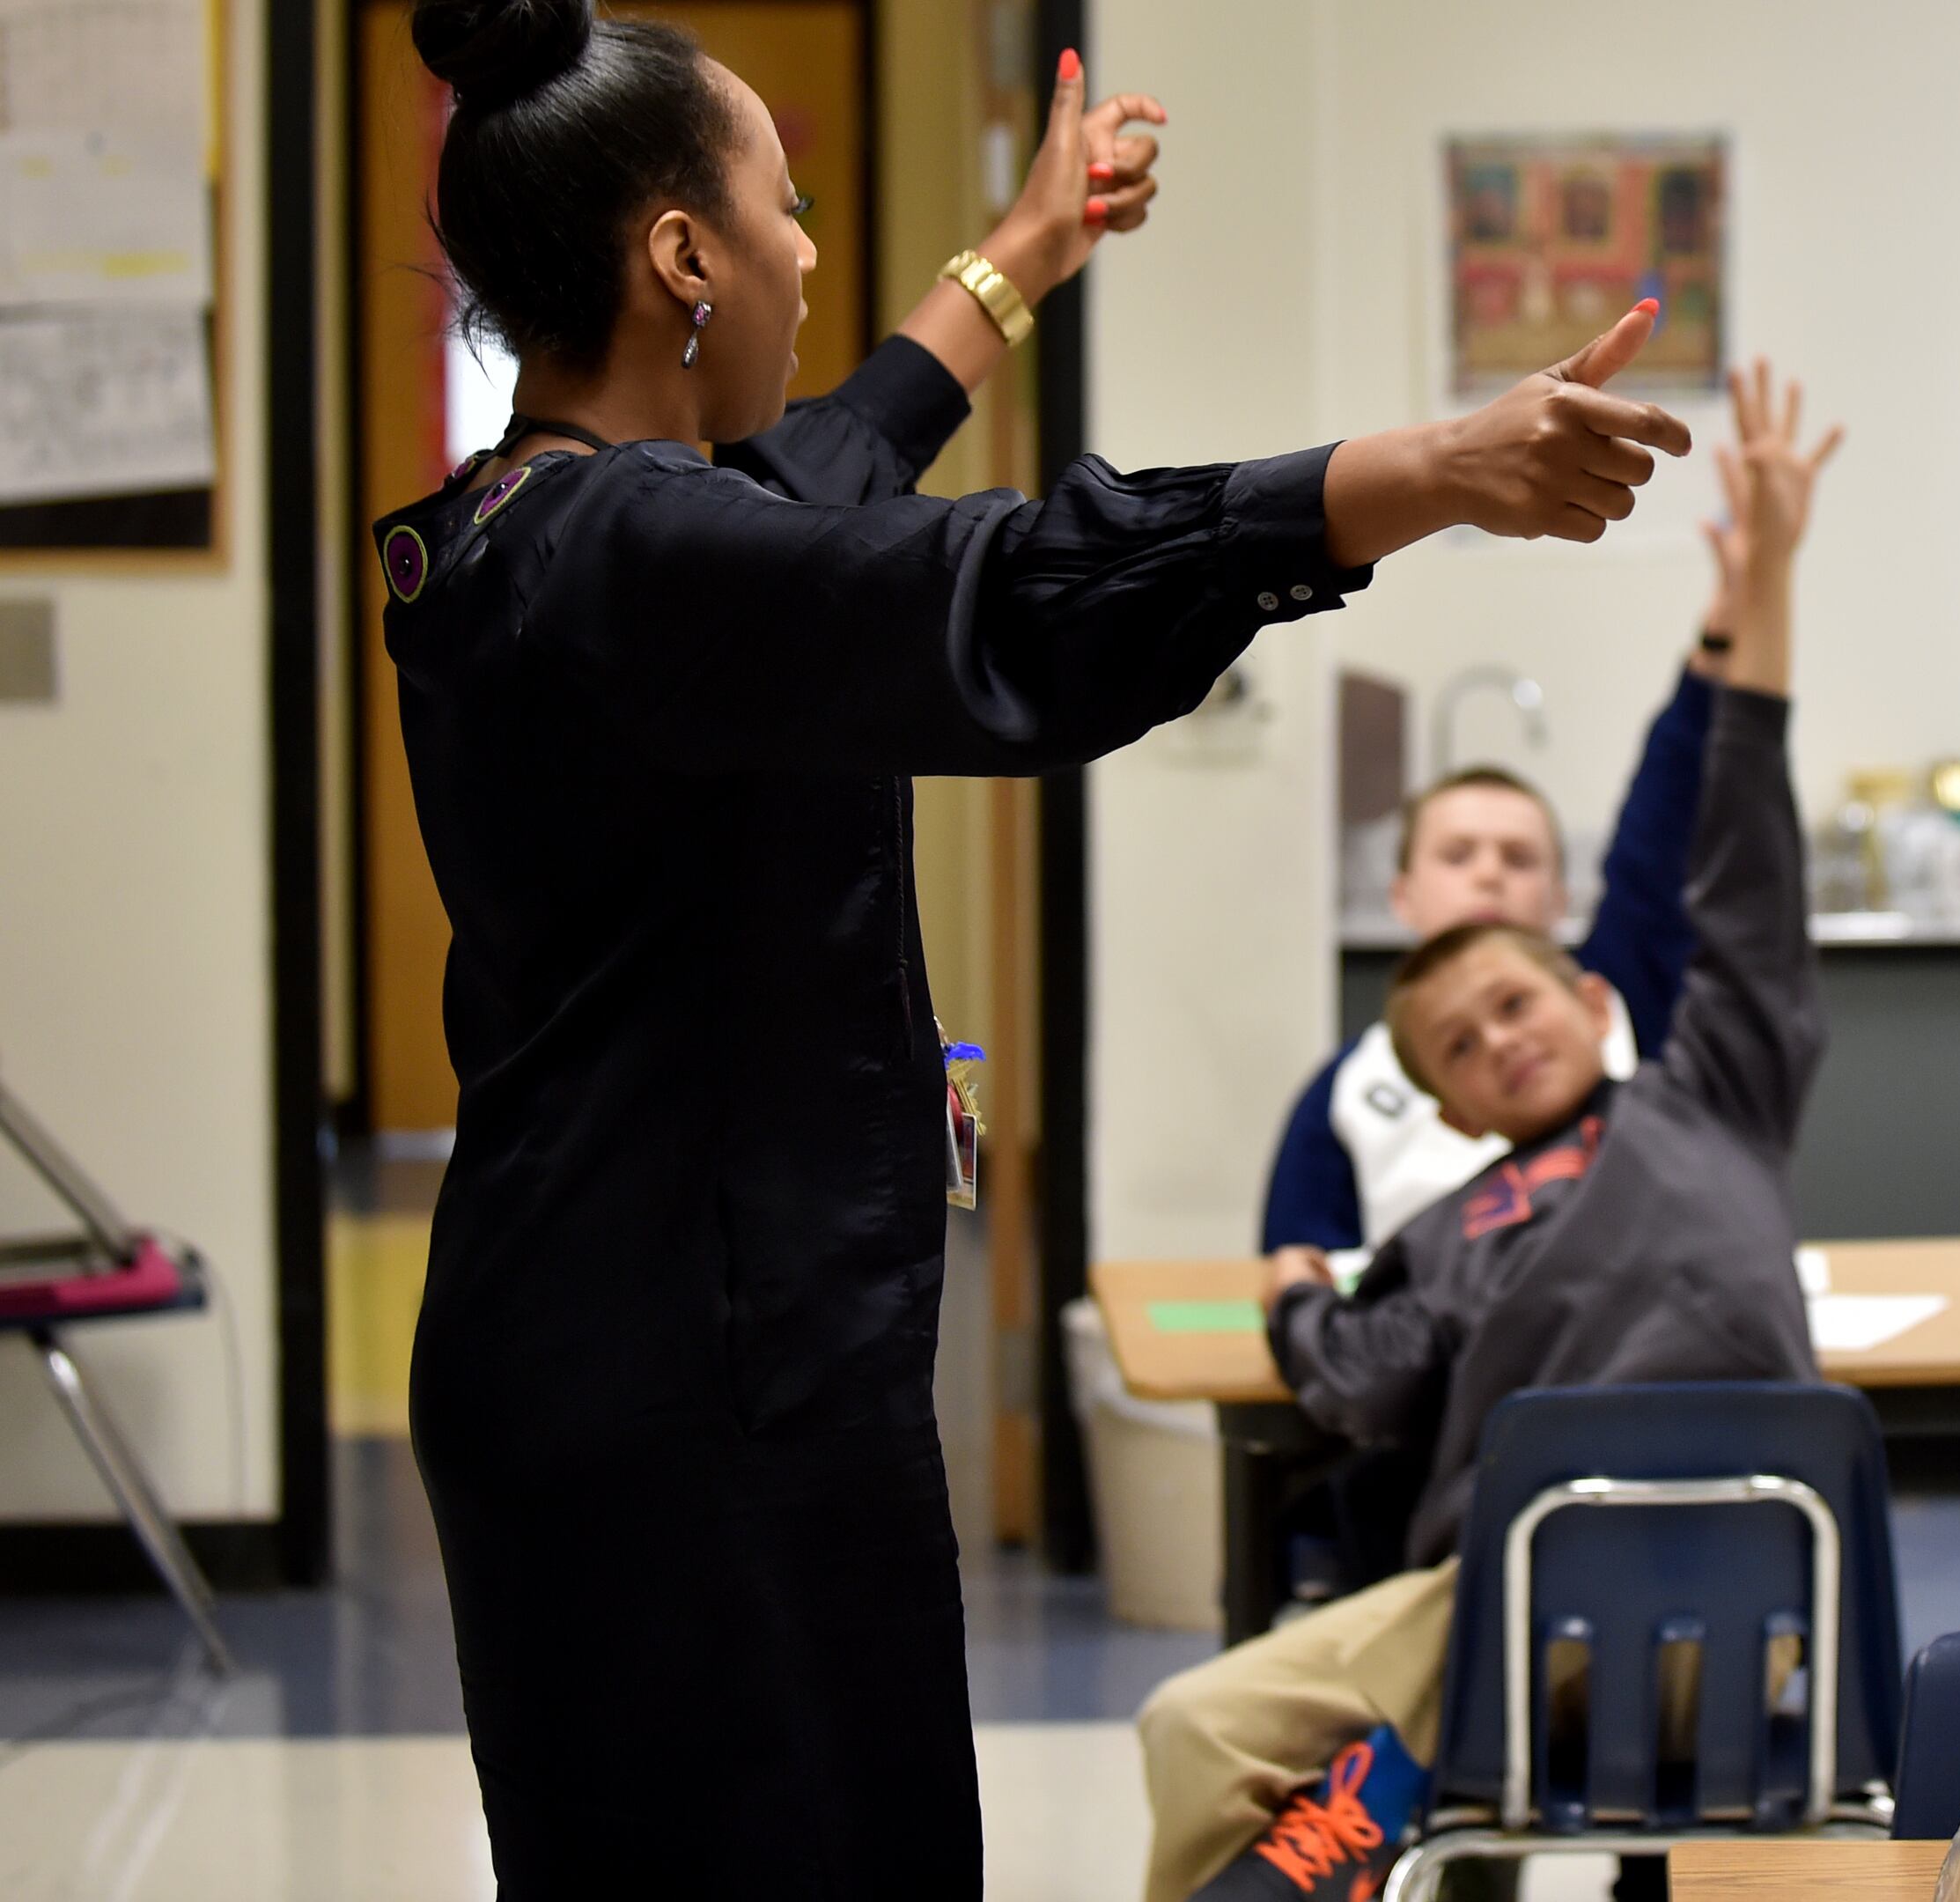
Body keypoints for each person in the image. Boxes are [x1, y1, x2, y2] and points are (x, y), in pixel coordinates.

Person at [380, 3, 1697, 1891]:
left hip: (638, 1347)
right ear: (683, 253)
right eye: (785, 205)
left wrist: (1030, 249)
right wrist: (1420, 477)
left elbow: (835, 465)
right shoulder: (632, 559)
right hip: (684, 1400)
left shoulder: (549, 522)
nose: (812, 249)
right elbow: (980, 586)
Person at [1135, 365, 1842, 1902]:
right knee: (1203, 1730)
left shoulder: (1712, 1083)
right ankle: (1358, 1818)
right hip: (1515, 1622)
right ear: (1446, 1108)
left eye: (1521, 1003)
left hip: (1720, 1602)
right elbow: (1359, 1375)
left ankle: (1366, 1810)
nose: (1498, 1036)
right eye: (1461, 1043)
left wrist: (1764, 583)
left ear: (1597, 998)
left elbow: (1737, 864)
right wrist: (1306, 1295)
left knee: (1370, 1777)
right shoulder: (1458, 1229)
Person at [1259, 417, 1831, 1260]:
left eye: (1520, 858)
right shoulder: (1348, 1094)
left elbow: (1666, 823)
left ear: (1561, 905)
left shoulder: (1623, 1012)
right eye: (1458, 855)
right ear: (1402, 896)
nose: (1489, 875)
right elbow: (1299, 1277)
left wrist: (1734, 623)